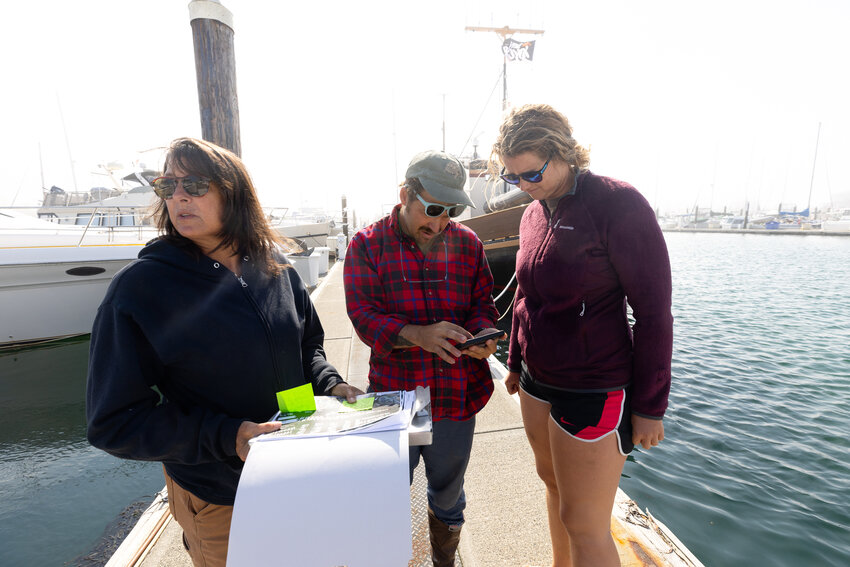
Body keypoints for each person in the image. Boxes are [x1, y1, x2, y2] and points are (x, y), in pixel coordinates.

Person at [85, 137, 363, 567]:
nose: (178, 195)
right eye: (168, 186)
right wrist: (227, 436)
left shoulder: (277, 269)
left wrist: (330, 382)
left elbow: (306, 345)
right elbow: (112, 423)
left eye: (194, 184)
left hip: (298, 471)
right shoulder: (140, 289)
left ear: (234, 193)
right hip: (222, 499)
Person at [491, 104, 673, 567]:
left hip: (593, 386)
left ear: (565, 153)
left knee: (585, 522)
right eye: (513, 178)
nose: (523, 187)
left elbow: (653, 313)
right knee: (553, 490)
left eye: (531, 173)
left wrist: (650, 406)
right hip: (536, 382)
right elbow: (528, 297)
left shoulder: (618, 204)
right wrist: (514, 361)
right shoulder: (532, 215)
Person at [343, 150, 505, 567]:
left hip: (457, 395)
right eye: (432, 209)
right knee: (387, 490)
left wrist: (483, 335)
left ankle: (444, 560)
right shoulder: (365, 245)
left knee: (449, 495)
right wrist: (417, 335)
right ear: (404, 195)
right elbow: (363, 317)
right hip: (396, 397)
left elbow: (482, 304)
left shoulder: (468, 243)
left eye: (451, 211)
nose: (439, 222)